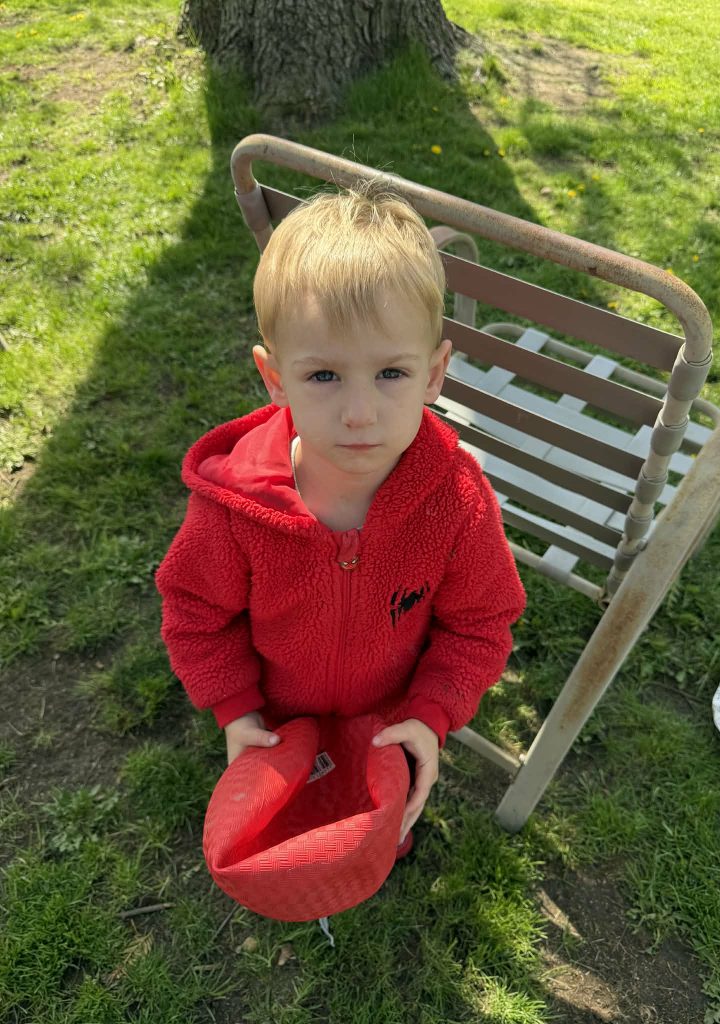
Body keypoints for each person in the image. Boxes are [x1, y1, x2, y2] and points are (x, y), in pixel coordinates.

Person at [155, 183, 526, 855]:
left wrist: (431, 713)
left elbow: (479, 623)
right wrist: (236, 710)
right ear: (275, 379)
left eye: (391, 373)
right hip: (278, 722)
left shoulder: (456, 500)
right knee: (286, 840)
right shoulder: (234, 507)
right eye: (324, 376)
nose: (360, 414)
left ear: (436, 373)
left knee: (370, 835)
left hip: (387, 721)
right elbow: (195, 613)